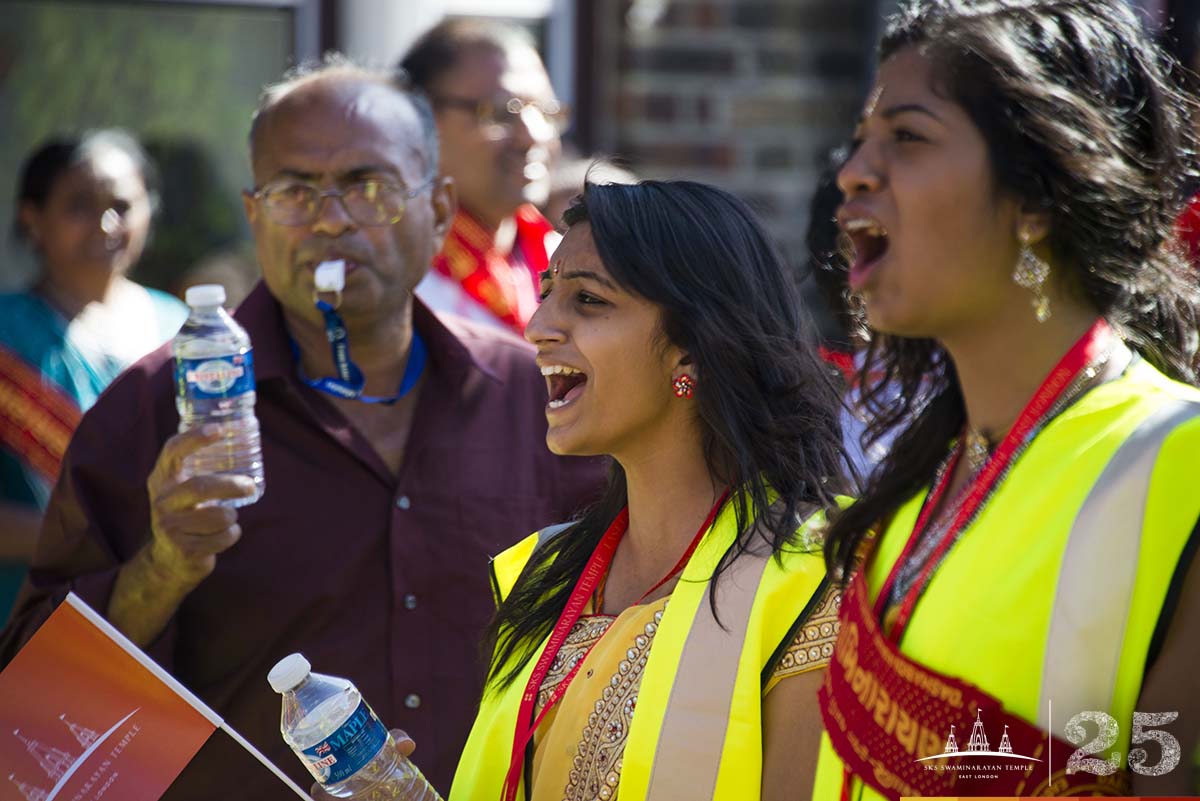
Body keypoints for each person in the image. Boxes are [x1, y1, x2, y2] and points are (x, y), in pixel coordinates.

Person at [0, 59, 604, 799]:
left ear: (440, 210)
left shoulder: (532, 398)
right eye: (295, 192)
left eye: (368, 186)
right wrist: (162, 567)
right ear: (255, 216)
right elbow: (36, 727)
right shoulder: (156, 410)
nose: (330, 219)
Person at [325, 178, 853, 801]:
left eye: (588, 300)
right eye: (547, 293)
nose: (539, 325)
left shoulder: (820, 575)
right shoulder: (543, 574)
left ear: (691, 351)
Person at [811, 1, 1200, 798]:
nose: (854, 169)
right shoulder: (914, 485)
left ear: (1037, 200)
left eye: (908, 137)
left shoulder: (1177, 461)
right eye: (864, 136)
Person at [0, 131, 186, 622]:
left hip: (172, 620)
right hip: (33, 620)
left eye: (122, 205)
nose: (106, 225)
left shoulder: (183, 328)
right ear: (31, 218)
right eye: (79, 205)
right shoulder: (6, 335)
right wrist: (100, 537)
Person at [401, 18, 564, 332]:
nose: (532, 137)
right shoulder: (394, 275)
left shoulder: (560, 258)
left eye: (546, 111)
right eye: (501, 113)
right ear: (420, 120)